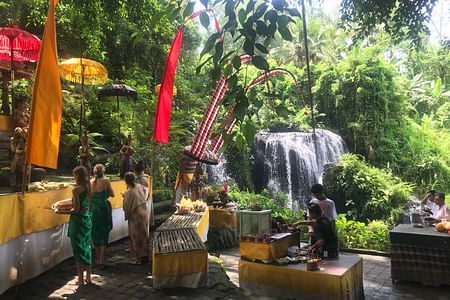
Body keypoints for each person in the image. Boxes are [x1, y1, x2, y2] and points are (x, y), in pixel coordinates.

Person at [68, 166, 93, 285]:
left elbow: (76, 209)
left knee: (77, 249)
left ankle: (80, 279)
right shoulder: (88, 187)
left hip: (77, 221)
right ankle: (88, 276)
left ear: (77, 176)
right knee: (86, 247)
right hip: (87, 219)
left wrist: (62, 211)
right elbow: (87, 204)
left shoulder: (75, 190)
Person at [90, 164, 115, 267]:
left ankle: (97, 257)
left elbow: (89, 197)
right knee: (104, 231)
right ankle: (101, 259)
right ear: (103, 171)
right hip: (104, 207)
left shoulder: (90, 182)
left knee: (95, 231)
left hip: (94, 208)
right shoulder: (106, 181)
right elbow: (112, 194)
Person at [122, 172, 149, 264]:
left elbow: (126, 207)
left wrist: (124, 198)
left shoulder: (128, 192)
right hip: (144, 211)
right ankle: (145, 254)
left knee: (136, 237)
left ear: (125, 181)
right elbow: (145, 192)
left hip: (136, 215)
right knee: (144, 234)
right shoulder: (139, 186)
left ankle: (138, 259)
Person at [134, 160, 154, 228]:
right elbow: (146, 192)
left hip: (136, 202)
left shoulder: (134, 179)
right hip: (142, 202)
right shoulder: (144, 179)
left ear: (135, 171)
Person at [10, 127, 26, 192]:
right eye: (16, 131)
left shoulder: (23, 140)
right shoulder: (14, 140)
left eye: (19, 131)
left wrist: (22, 151)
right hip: (17, 158)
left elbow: (18, 150)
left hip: (22, 158)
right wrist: (11, 142)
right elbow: (14, 150)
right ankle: (14, 186)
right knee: (15, 171)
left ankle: (20, 186)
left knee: (21, 172)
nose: (17, 133)